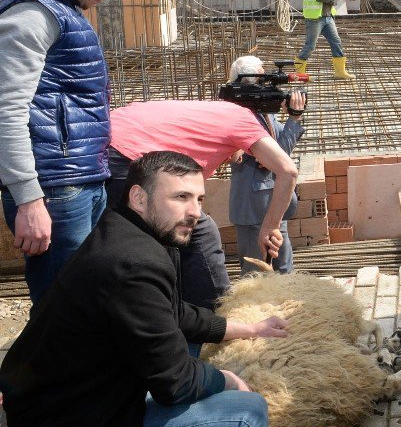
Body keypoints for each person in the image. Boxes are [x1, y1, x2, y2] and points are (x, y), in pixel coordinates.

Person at [0, 151, 287, 426]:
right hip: (69, 416)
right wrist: (228, 379)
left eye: (199, 199)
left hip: (61, 393)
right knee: (248, 409)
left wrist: (252, 329)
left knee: (192, 343)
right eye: (180, 197)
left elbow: (173, 313)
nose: (195, 212)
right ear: (139, 197)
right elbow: (177, 385)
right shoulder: (136, 262)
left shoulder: (133, 232)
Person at [0, 0, 135, 302]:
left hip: (78, 178)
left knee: (82, 302)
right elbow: (6, 111)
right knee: (61, 308)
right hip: (55, 189)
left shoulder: (61, 7)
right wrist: (28, 199)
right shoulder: (32, 14)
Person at [107, 99, 299, 309]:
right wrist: (270, 226)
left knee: (176, 238)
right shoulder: (244, 120)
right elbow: (287, 171)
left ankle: (185, 313)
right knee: (200, 235)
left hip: (103, 139)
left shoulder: (211, 118)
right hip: (122, 155)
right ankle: (214, 319)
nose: (239, 159)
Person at [228, 56, 306, 275]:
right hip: (254, 209)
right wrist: (294, 119)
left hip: (275, 205)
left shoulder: (262, 110)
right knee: (256, 273)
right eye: (262, 83)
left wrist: (290, 115)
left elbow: (282, 142)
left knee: (284, 270)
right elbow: (279, 155)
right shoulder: (240, 115)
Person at [294, 0, 355, 80]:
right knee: (310, 45)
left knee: (336, 42)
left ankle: (340, 72)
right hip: (315, 18)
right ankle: (299, 73)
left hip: (328, 17)